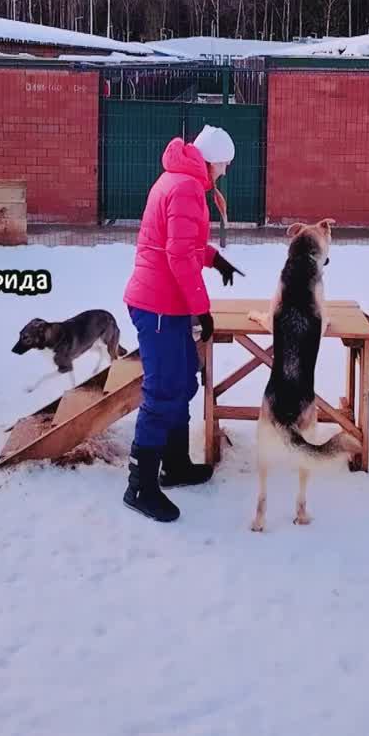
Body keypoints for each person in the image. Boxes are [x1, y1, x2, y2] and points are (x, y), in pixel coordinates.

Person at [122, 124, 242, 523]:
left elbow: (183, 243)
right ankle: (140, 485)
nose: (223, 174)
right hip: (158, 304)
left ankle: (174, 463)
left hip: (164, 302)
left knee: (185, 378)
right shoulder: (188, 187)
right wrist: (201, 309)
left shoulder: (178, 178)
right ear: (210, 162)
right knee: (164, 389)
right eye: (223, 166)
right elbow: (176, 256)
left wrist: (214, 258)